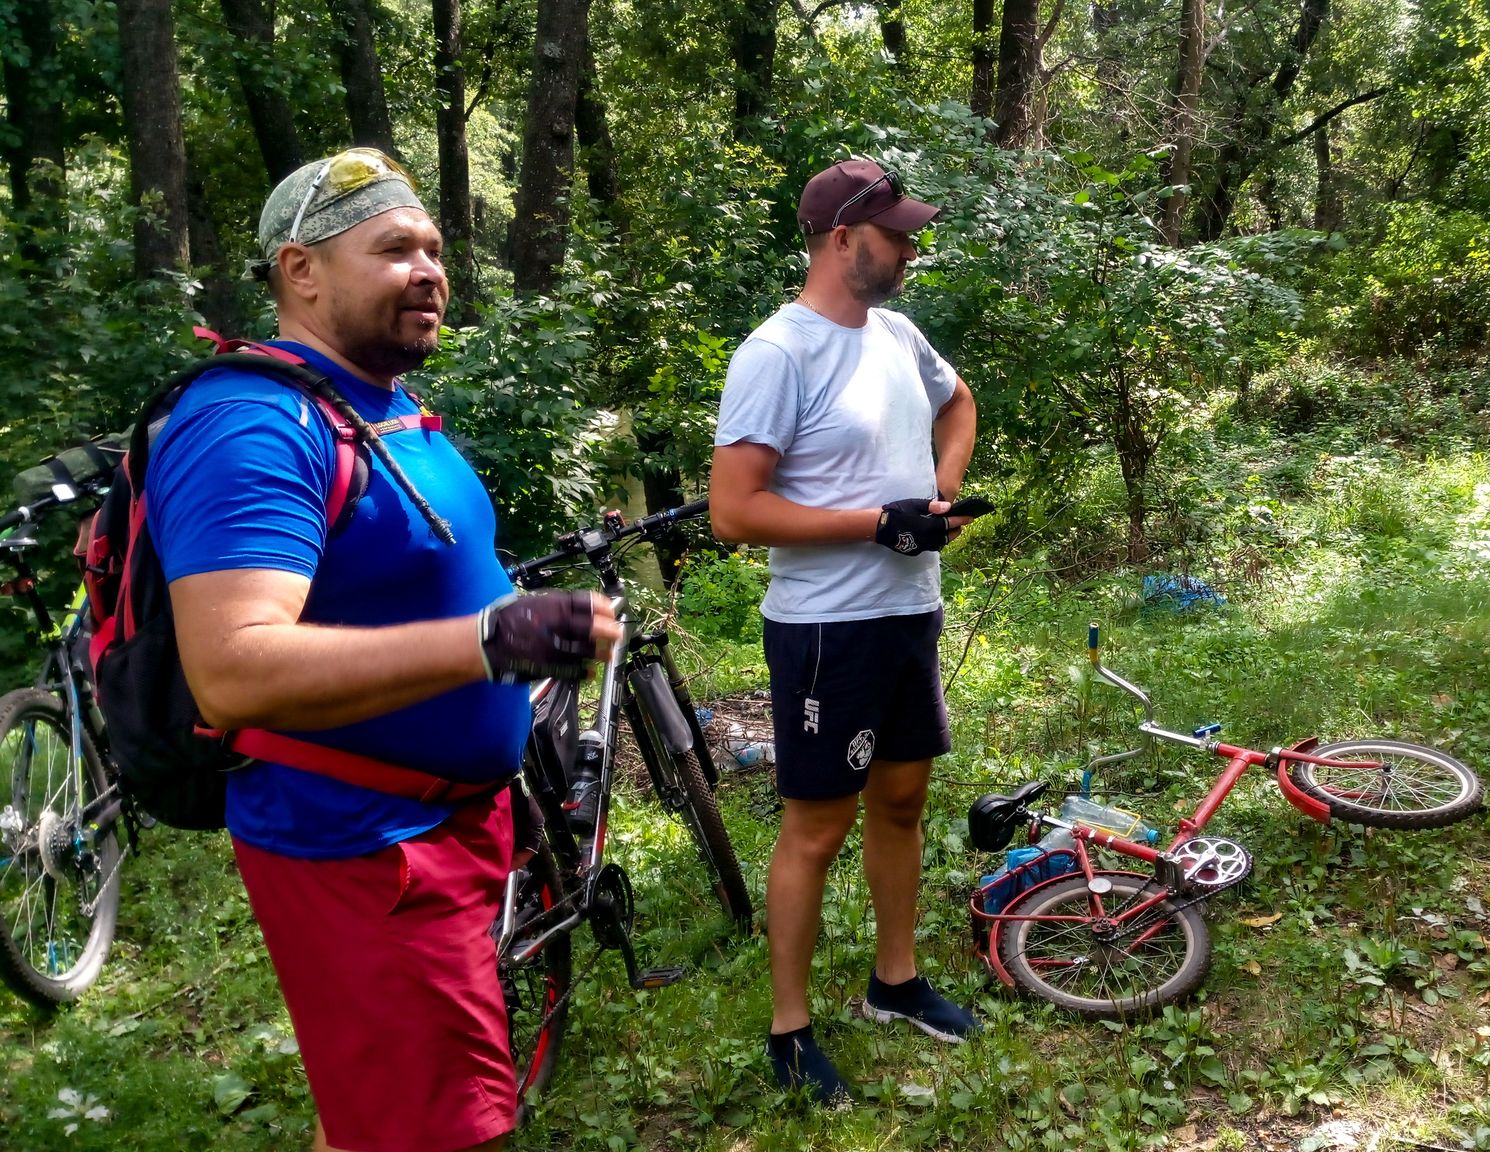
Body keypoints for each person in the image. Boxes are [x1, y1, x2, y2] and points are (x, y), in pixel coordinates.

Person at [151, 147, 619, 1152]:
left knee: (382, 1118)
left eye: (435, 250)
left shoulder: (382, 406)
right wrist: (487, 642)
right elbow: (230, 669)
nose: (429, 270)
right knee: (433, 1133)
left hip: (445, 830)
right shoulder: (251, 425)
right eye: (394, 248)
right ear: (299, 270)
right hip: (362, 847)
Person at [709, 159, 981, 1105]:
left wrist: (938, 493)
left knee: (902, 800)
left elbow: (960, 401)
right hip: (829, 630)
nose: (910, 248)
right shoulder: (777, 354)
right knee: (816, 828)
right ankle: (790, 1032)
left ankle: (894, 983)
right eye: (896, 234)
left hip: (910, 611)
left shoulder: (899, 336)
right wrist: (875, 522)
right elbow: (734, 512)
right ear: (840, 241)